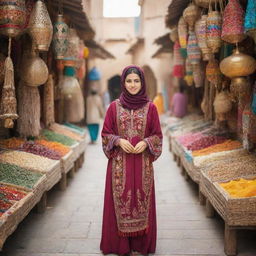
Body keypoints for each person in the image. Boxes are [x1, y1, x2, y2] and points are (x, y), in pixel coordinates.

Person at [100, 65, 163, 256]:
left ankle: (141, 244)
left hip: (142, 164)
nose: (133, 85)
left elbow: (158, 136)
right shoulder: (113, 107)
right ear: (123, 83)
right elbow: (105, 134)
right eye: (129, 81)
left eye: (136, 81)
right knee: (121, 200)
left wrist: (146, 143)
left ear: (142, 83)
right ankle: (120, 246)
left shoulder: (151, 108)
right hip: (119, 165)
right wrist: (117, 141)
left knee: (142, 200)